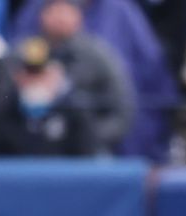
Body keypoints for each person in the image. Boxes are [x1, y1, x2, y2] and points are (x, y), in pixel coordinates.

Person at [34, 0, 132, 152]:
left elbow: (123, 109)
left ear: (79, 16)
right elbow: (1, 110)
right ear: (41, 15)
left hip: (87, 151)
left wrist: (91, 136)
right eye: (54, 11)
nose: (60, 18)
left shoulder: (99, 56)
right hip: (33, 150)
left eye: (66, 11)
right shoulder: (23, 55)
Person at [0, 36, 100, 157]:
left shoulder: (75, 118)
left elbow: (87, 163)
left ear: (56, 76)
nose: (35, 82)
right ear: (18, 77)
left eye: (42, 75)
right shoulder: (2, 117)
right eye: (29, 74)